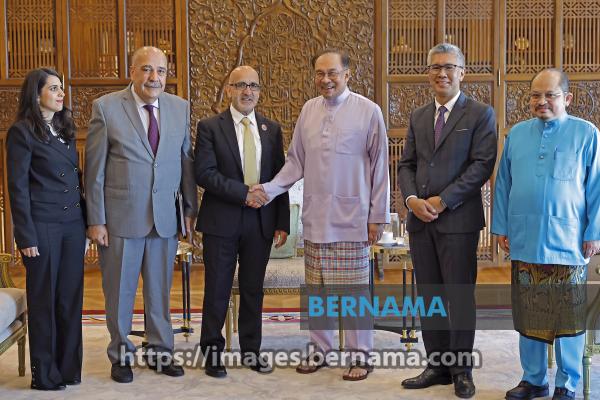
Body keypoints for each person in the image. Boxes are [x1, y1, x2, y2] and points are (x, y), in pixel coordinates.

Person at [255, 49, 390, 381]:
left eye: (332, 73)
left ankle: (361, 354)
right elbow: (295, 162)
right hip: (316, 218)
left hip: (353, 218)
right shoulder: (309, 110)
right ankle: (321, 348)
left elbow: (380, 168)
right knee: (318, 290)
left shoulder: (368, 111)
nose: (325, 79)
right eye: (319, 73)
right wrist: (269, 189)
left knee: (354, 293)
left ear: (347, 75)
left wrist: (377, 216)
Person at [85, 46, 197, 383]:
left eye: (160, 70)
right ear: (132, 71)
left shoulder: (180, 107)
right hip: (120, 219)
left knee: (159, 291)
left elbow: (186, 162)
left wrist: (188, 209)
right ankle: (121, 355)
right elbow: (94, 170)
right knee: (120, 291)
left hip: (165, 218)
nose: (154, 77)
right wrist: (96, 219)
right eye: (147, 69)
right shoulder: (106, 107)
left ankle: (160, 351)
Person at [492, 68, 600, 400]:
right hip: (525, 238)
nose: (541, 101)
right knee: (529, 312)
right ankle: (533, 379)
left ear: (567, 98)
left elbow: (596, 187)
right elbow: (503, 183)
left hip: (568, 242)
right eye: (535, 95)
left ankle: (567, 383)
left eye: (550, 95)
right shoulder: (517, 134)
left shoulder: (586, 133)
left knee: (568, 317)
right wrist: (501, 226)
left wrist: (594, 232)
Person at [397, 43, 497, 398]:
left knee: (459, 297)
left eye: (449, 67)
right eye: (435, 67)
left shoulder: (480, 114)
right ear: (428, 73)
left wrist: (443, 200)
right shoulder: (418, 115)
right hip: (420, 221)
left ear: (462, 73)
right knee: (430, 296)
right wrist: (412, 200)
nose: (441, 73)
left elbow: (481, 165)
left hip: (458, 221)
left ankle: (461, 370)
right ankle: (437, 366)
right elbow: (406, 164)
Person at [194, 65, 290, 377]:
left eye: (253, 86)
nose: (247, 91)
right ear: (229, 90)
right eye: (240, 85)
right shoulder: (210, 127)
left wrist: (282, 221)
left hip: (260, 222)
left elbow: (280, 178)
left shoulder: (271, 129)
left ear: (259, 91)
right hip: (221, 221)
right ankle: (212, 353)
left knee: (252, 290)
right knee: (217, 289)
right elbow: (204, 173)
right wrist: (244, 193)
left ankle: (251, 350)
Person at [7, 68, 86, 390]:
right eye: (53, 88)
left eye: (61, 88)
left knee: (70, 299)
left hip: (72, 227)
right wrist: (25, 235)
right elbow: (18, 188)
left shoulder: (65, 129)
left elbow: (76, 182)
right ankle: (45, 374)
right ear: (35, 93)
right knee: (44, 301)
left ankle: (68, 369)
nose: (61, 93)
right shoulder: (22, 132)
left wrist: (85, 225)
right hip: (42, 226)